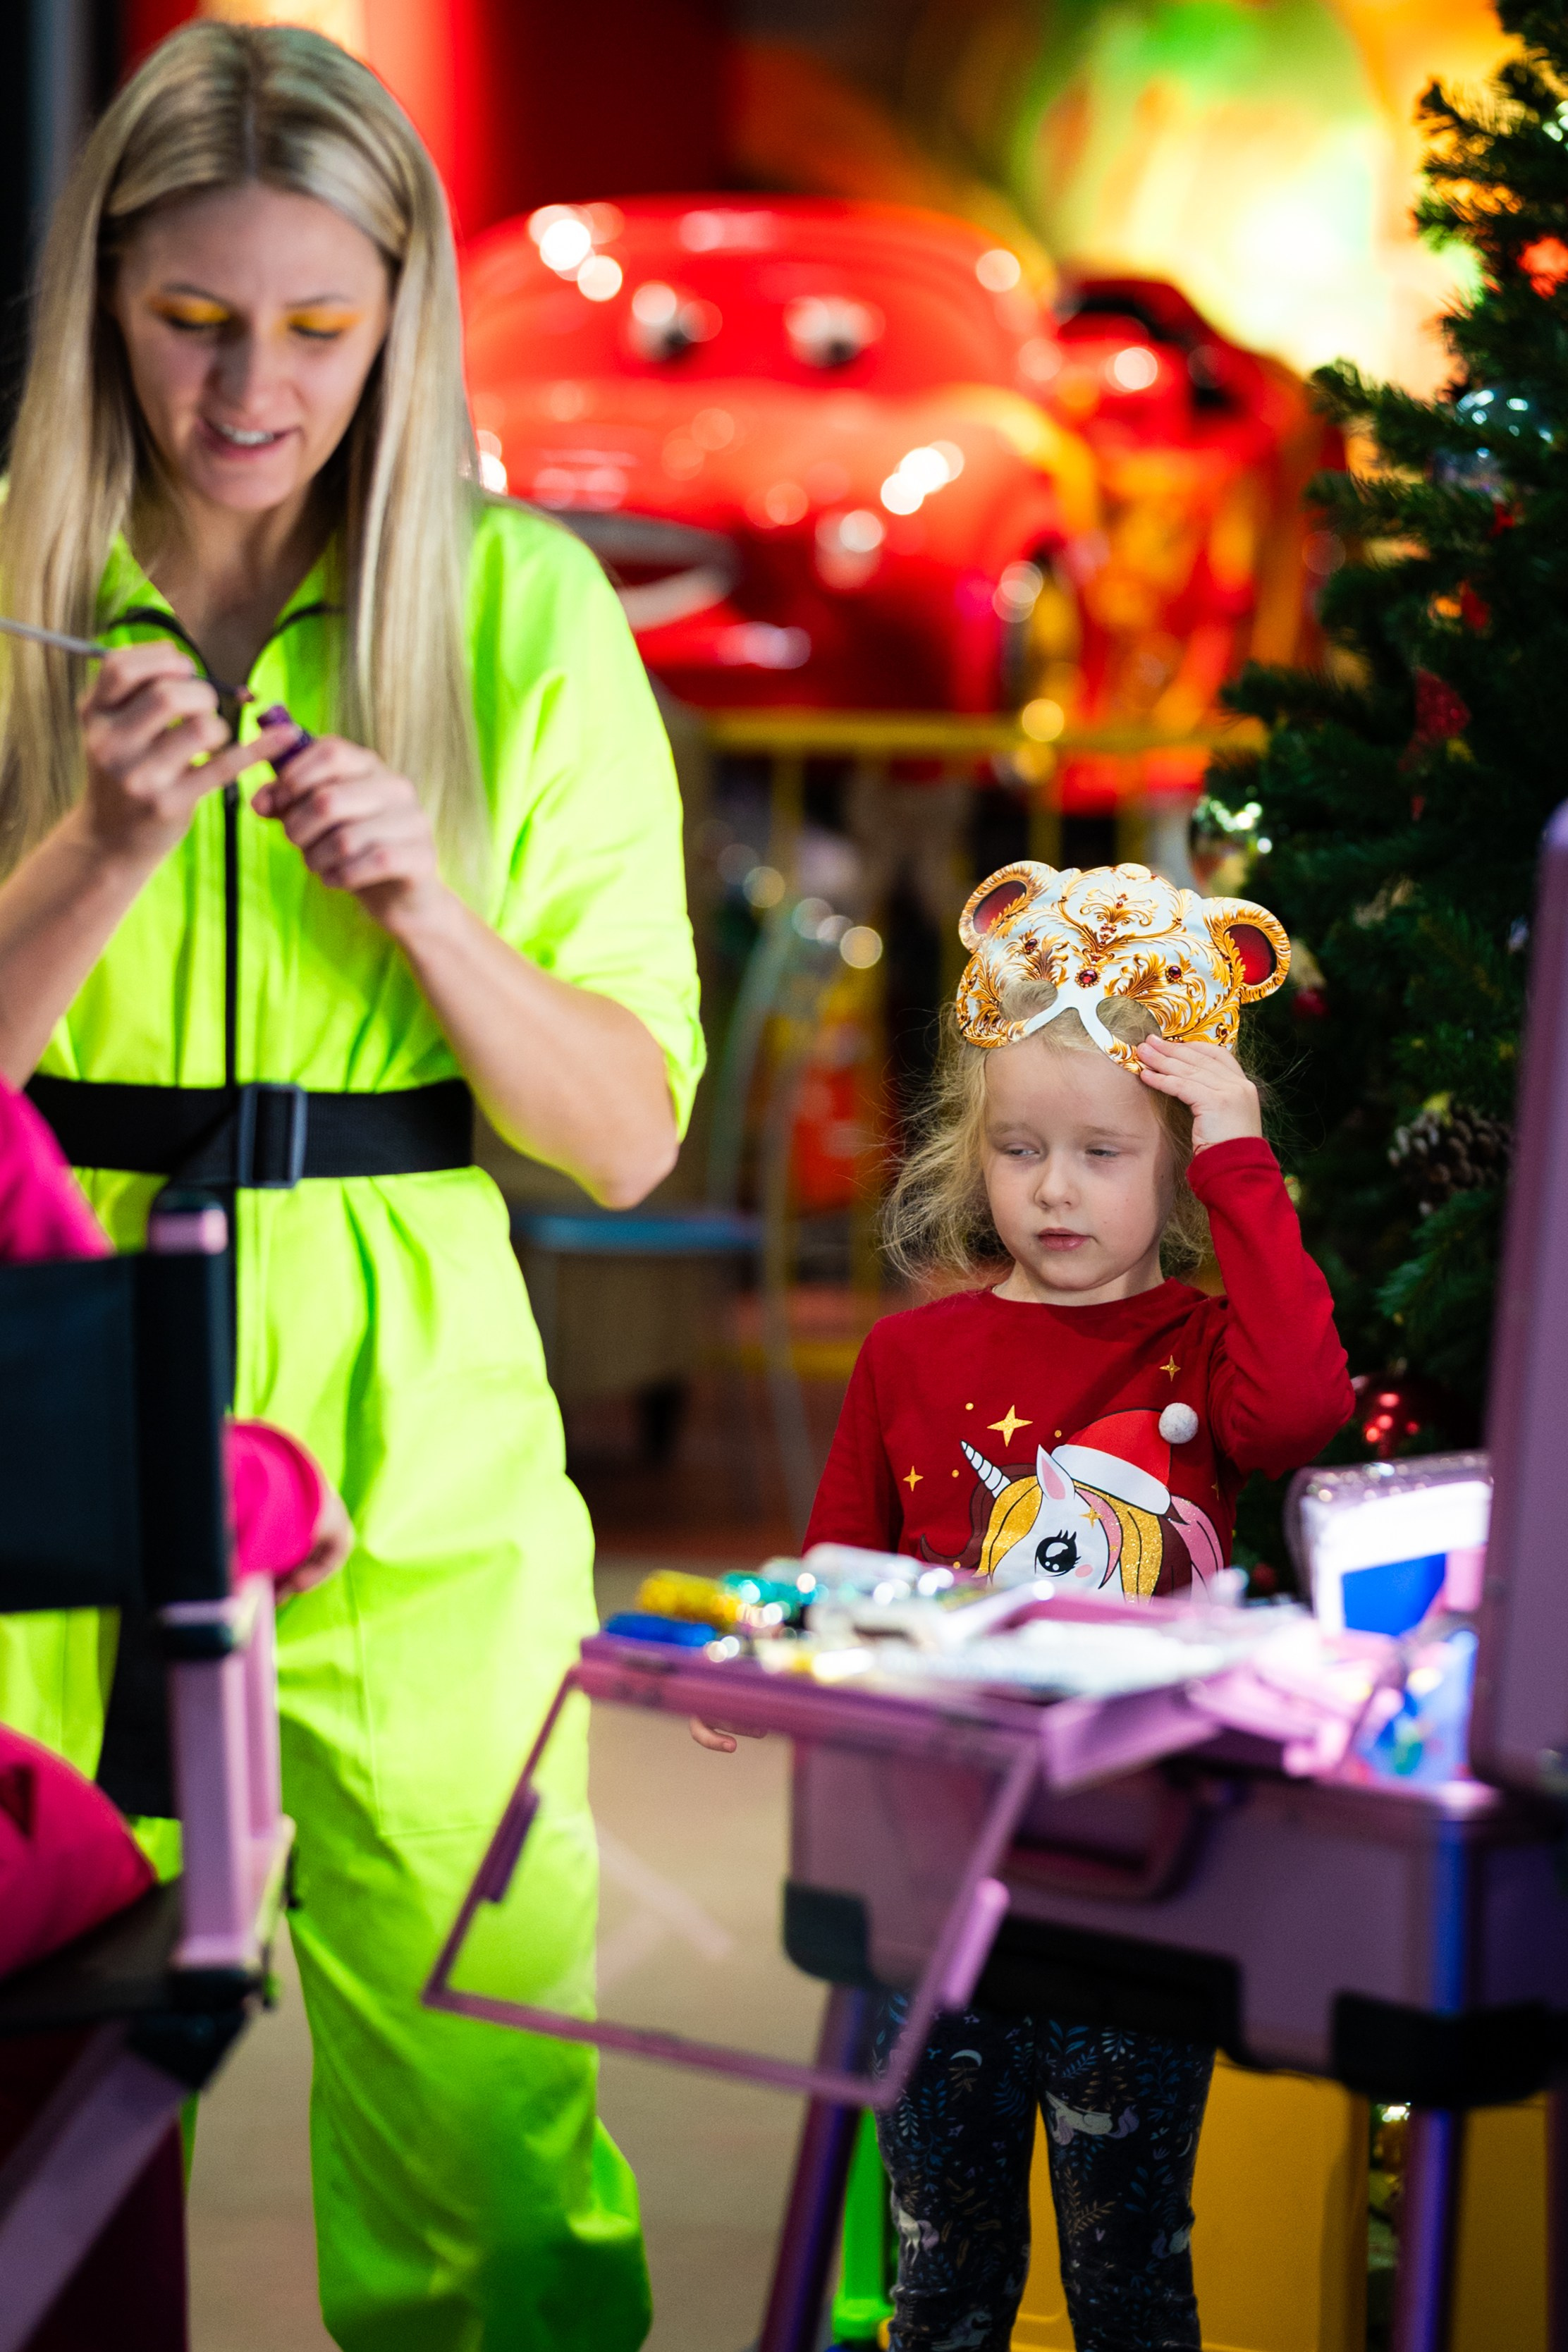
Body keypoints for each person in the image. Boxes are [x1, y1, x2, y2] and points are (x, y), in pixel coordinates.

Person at [0, 22, 702, 2349]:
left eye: (316, 325)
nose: (248, 390)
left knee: (486, 2100)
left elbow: (616, 1128)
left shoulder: (520, 617)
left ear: (402, 310)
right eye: (195, 318)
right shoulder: (10, 600)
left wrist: (434, 917)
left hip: (413, 1399)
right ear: (103, 293)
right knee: (33, 2093)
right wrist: (100, 848)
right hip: (41, 1351)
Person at [800, 860, 1353, 2351]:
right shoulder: (907, 1361)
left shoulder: (1201, 1350)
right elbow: (837, 1570)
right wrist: (786, 1683)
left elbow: (1302, 1406)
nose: (1053, 1189)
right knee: (938, 2278)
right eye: (1020, 1149)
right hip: (934, 1892)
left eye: (1104, 1153)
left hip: (1135, 1887)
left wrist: (1237, 1148)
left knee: (1127, 2281)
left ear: (1168, 1168)